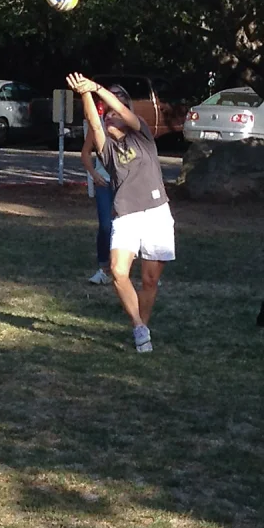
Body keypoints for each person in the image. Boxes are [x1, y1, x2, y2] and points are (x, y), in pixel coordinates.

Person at [66, 73, 174, 353]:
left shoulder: (142, 135)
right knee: (117, 271)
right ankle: (138, 326)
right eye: (108, 115)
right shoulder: (107, 150)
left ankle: (144, 330)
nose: (110, 117)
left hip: (156, 213)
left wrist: (97, 88)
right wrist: (85, 93)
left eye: (115, 114)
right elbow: (93, 121)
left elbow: (123, 111)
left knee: (150, 280)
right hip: (126, 214)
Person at [80, 111, 114, 285]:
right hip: (104, 183)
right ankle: (104, 268)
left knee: (131, 226)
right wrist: (94, 174)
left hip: (128, 184)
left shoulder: (132, 124)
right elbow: (85, 153)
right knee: (106, 225)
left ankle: (147, 270)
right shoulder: (98, 126)